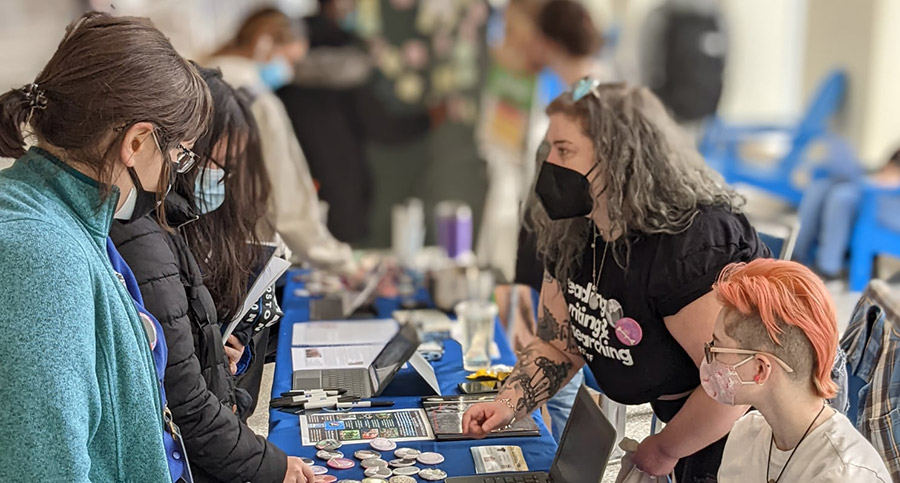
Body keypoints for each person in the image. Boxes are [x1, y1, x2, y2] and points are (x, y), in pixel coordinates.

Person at [463, 80, 770, 482]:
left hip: (755, 432)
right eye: (549, 148)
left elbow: (733, 388)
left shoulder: (687, 246)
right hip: (693, 415)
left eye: (564, 151)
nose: (550, 164)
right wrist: (508, 403)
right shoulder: (573, 230)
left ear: (618, 158)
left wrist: (664, 448)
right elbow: (558, 345)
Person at [0, 12, 210, 481]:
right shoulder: (42, 255)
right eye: (178, 155)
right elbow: (44, 467)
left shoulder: (74, 221)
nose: (174, 174)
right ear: (136, 141)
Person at [111, 68, 314, 483]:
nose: (223, 180)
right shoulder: (141, 234)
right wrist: (271, 466)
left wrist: (219, 356)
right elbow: (184, 400)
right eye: (218, 164)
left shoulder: (172, 224)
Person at [710, 259, 890, 482]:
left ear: (760, 369)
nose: (710, 358)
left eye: (715, 347)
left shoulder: (846, 475)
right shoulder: (746, 434)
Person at [208, 7, 355, 274]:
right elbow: (288, 203)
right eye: (289, 60)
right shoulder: (257, 99)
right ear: (263, 42)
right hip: (240, 251)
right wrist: (340, 261)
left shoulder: (198, 75)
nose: (289, 72)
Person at [277, 0, 373, 243]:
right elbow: (375, 121)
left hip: (296, 155)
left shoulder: (292, 37)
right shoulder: (351, 46)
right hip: (338, 167)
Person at [794, 147, 900, 279]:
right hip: (880, 187)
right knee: (820, 188)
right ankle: (797, 255)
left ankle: (828, 267)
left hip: (890, 199)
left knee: (842, 197)